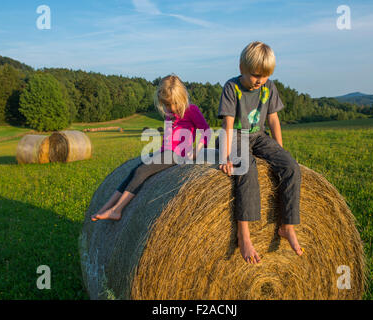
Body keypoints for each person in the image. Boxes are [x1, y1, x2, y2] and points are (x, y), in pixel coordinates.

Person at [217, 41, 304, 263]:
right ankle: (243, 234)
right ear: (241, 69)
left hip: (258, 137)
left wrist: (280, 150)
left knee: (291, 166)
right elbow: (227, 124)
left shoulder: (269, 87)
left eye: (265, 76)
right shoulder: (231, 88)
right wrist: (226, 156)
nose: (260, 81)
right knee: (247, 169)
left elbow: (273, 119)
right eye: (256, 75)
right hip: (236, 136)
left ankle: (287, 226)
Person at [91, 74, 211, 222]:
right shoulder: (169, 113)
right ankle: (105, 207)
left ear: (181, 98)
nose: (170, 108)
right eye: (166, 105)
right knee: (134, 171)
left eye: (172, 104)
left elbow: (207, 131)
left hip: (178, 154)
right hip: (165, 152)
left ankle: (117, 210)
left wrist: (197, 150)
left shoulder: (191, 110)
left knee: (142, 171)